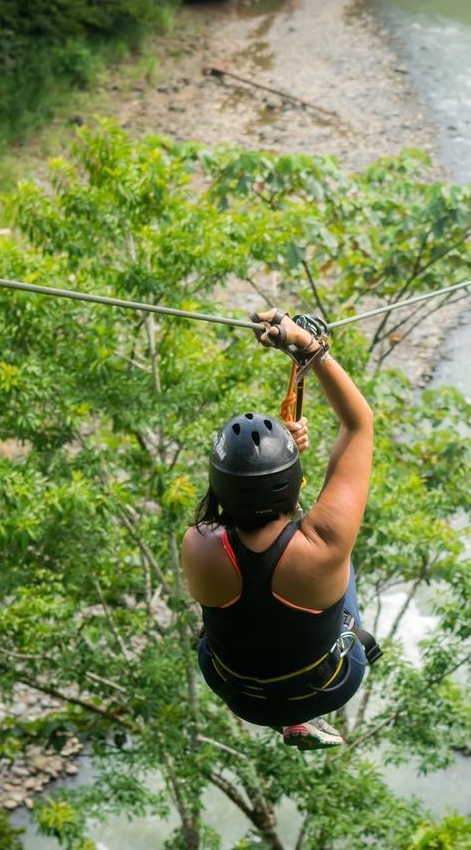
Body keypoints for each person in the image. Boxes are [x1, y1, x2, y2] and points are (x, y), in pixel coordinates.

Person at [181, 308, 377, 750]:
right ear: (293, 483)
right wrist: (310, 348)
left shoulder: (197, 544)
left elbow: (236, 502)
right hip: (329, 685)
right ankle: (304, 717)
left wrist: (278, 455)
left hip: (241, 694)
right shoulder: (324, 545)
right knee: (340, 568)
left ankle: (291, 720)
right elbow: (358, 424)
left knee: (263, 596)